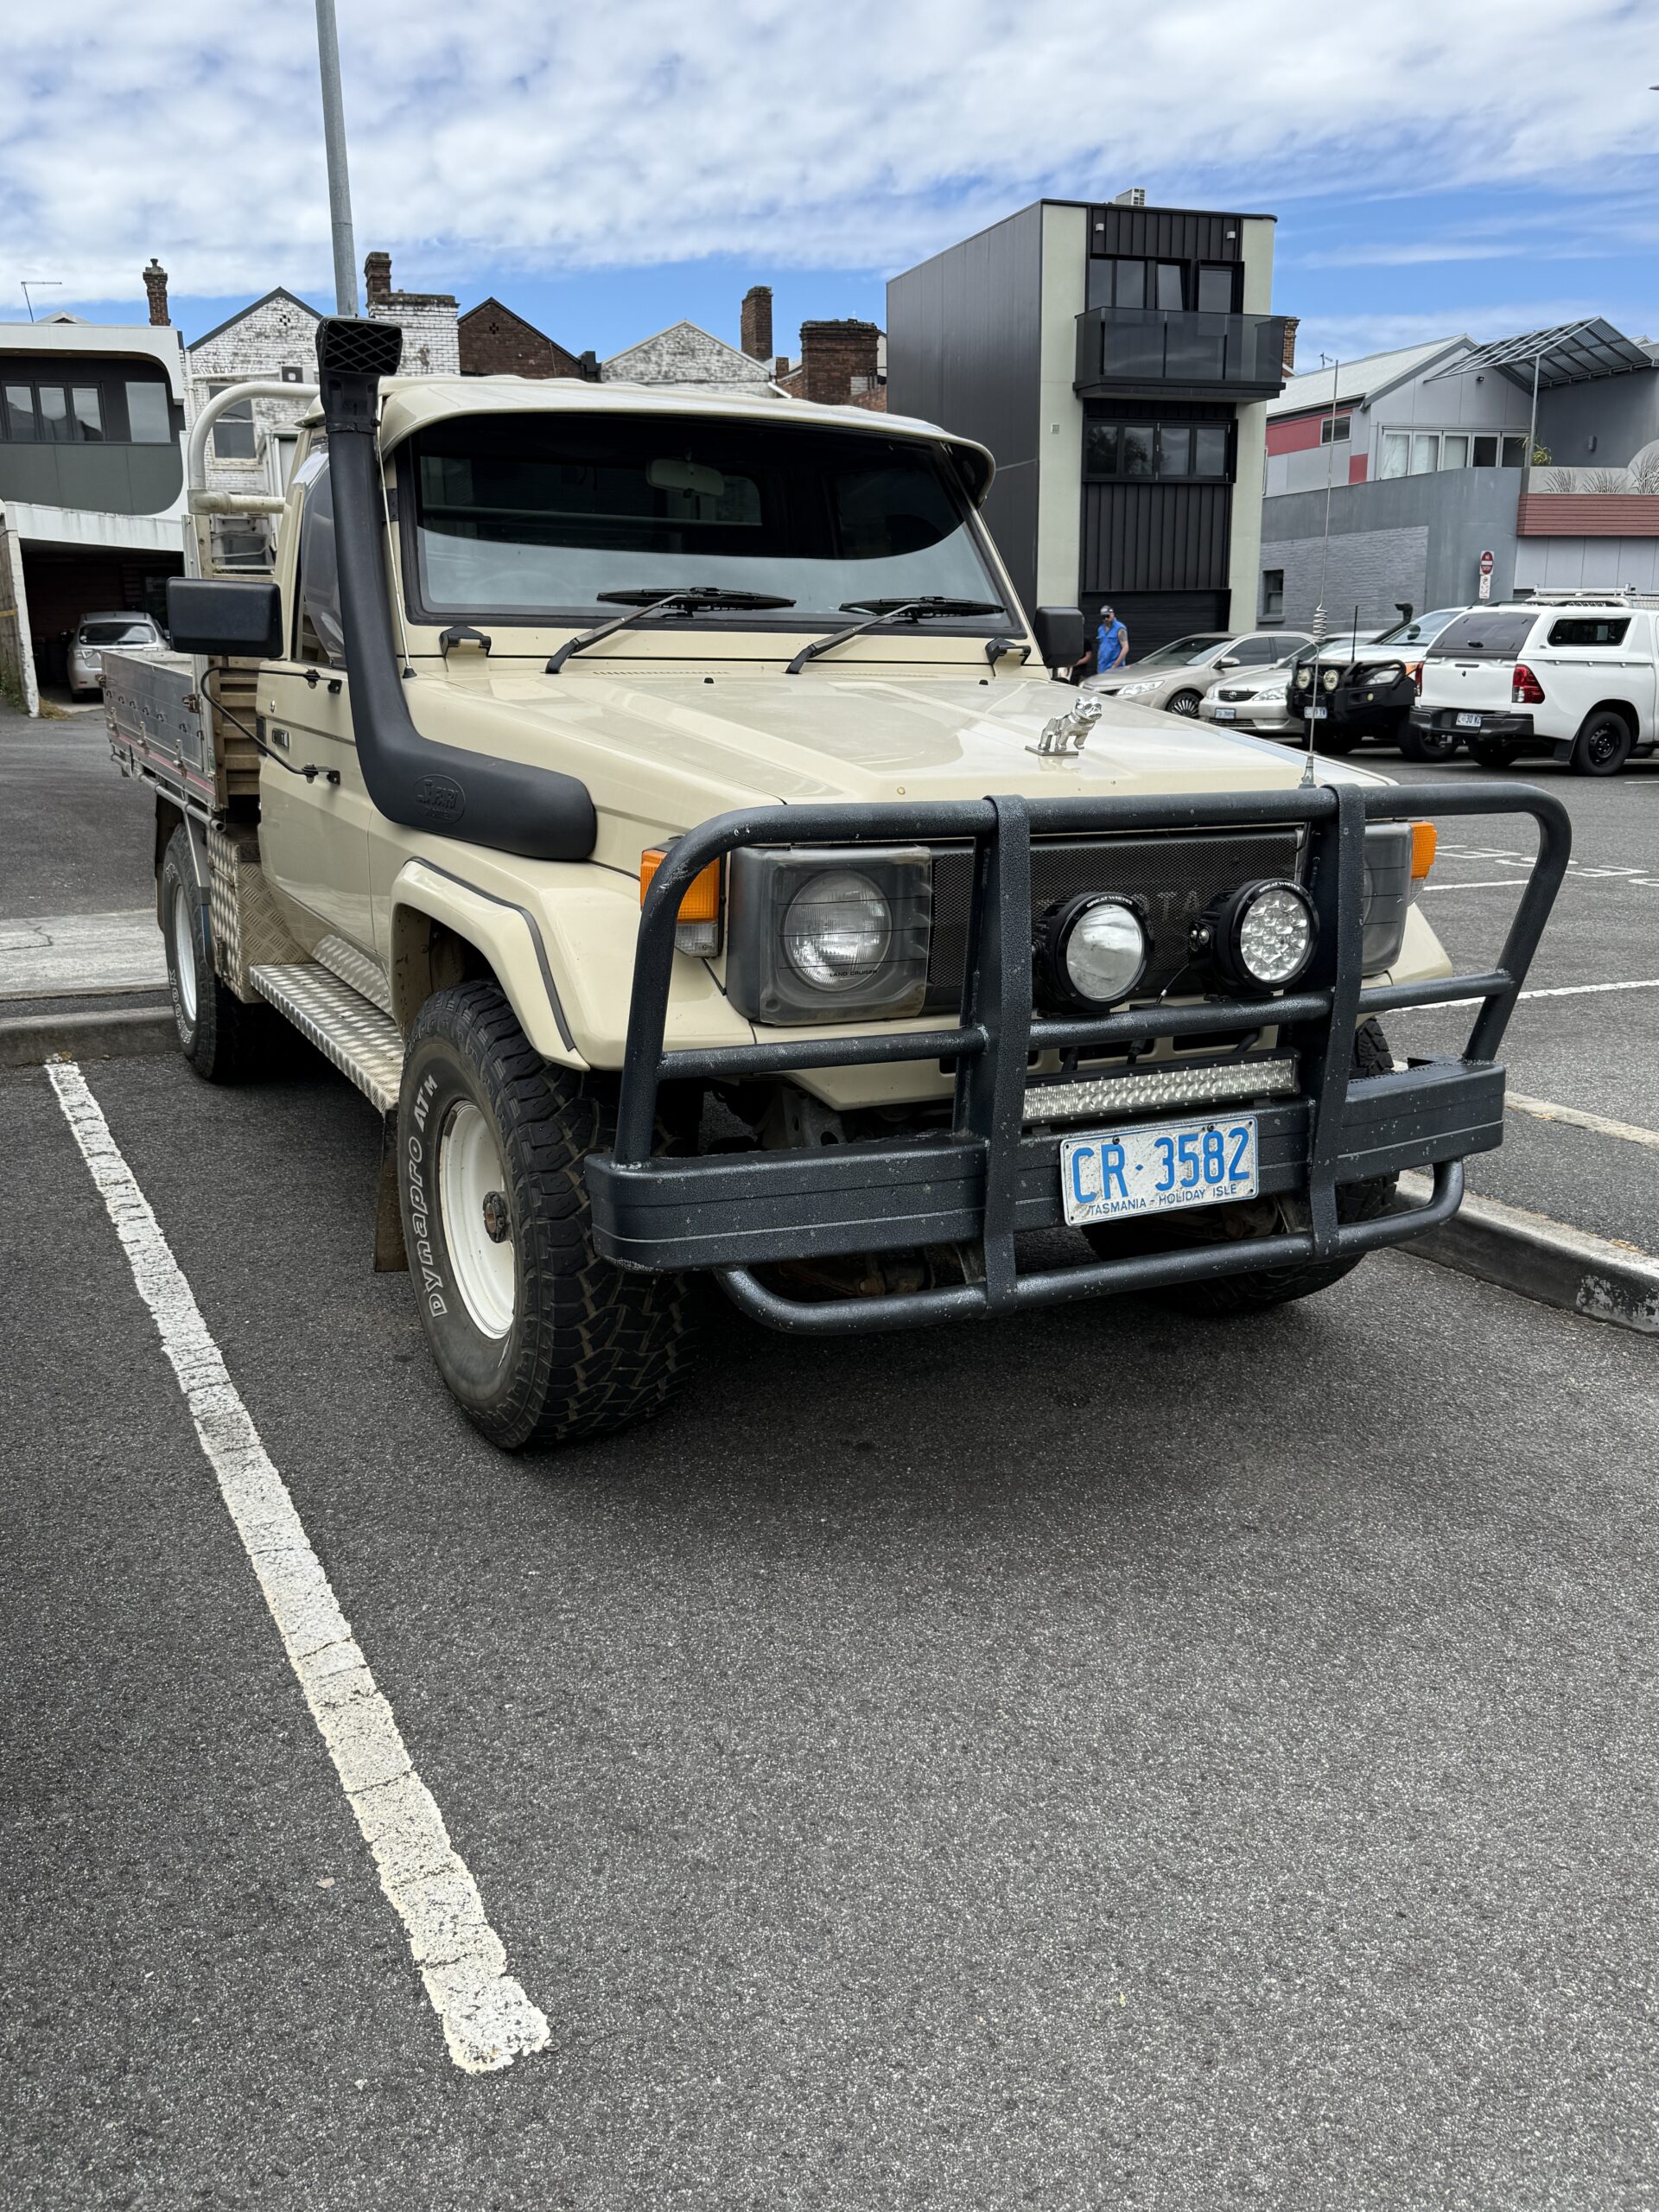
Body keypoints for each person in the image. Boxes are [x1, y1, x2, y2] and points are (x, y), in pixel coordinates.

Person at [1095, 605, 1128, 674]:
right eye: (1104, 617)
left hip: (1115, 668)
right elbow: (1101, 647)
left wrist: (1115, 666)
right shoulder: (1100, 629)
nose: (1106, 619)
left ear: (1112, 614)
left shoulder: (1120, 629)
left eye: (1108, 616)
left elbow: (1125, 648)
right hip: (1102, 667)